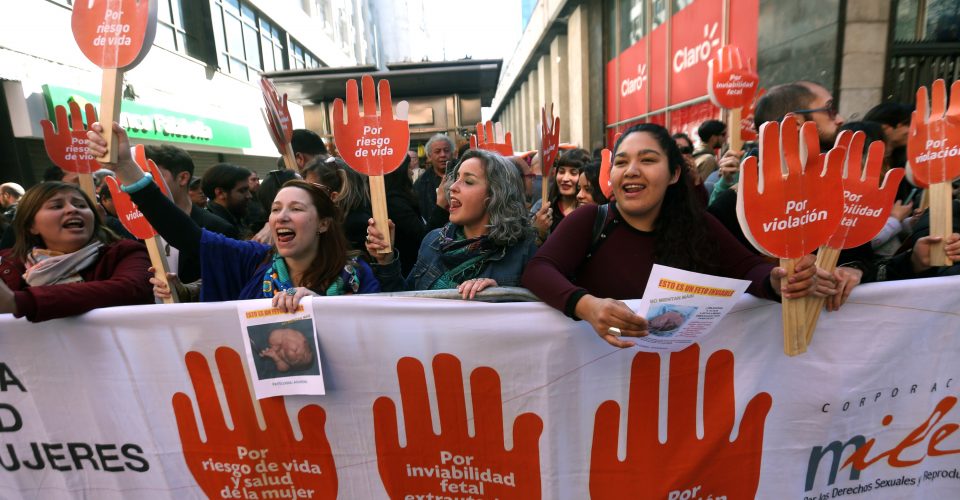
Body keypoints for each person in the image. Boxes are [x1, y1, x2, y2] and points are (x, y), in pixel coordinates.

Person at [521, 124, 824, 348]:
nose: (631, 170)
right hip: (600, 384)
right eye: (622, 162)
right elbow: (538, 269)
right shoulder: (590, 220)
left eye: (648, 160)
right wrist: (587, 306)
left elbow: (747, 268)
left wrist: (777, 279)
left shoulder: (698, 225)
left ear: (674, 174)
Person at [87, 122, 380, 309]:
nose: (281, 217)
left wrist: (324, 310)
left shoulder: (356, 275)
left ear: (324, 223)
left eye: (297, 209)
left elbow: (377, 335)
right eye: (276, 210)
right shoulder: (253, 260)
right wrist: (125, 167)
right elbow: (186, 234)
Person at [365, 149, 537, 298]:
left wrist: (500, 296)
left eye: (468, 181)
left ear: (496, 195)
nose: (453, 187)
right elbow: (405, 304)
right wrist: (386, 261)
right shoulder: (433, 241)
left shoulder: (522, 250)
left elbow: (537, 320)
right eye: (456, 178)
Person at [0, 181, 153, 322]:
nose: (72, 210)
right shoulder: (8, 264)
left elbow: (129, 289)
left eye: (80, 205)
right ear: (31, 226)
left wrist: (17, 302)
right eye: (57, 206)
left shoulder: (126, 252)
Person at [144, 144, 238, 291]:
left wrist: (187, 291)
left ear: (182, 178)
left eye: (153, 176)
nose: (147, 184)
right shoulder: (140, 228)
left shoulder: (218, 228)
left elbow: (228, 283)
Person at [531, 152, 583, 242]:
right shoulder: (541, 206)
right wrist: (538, 230)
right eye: (561, 172)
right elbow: (528, 247)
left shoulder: (591, 207)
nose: (565, 178)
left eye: (573, 173)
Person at [202, 163, 253, 238]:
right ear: (220, 193)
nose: (249, 196)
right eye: (242, 190)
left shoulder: (234, 216)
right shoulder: (219, 229)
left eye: (248, 190)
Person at [413, 134, 454, 220]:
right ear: (429, 156)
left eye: (446, 150)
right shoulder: (421, 183)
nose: (443, 154)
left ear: (452, 153)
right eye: (437, 151)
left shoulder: (463, 173)